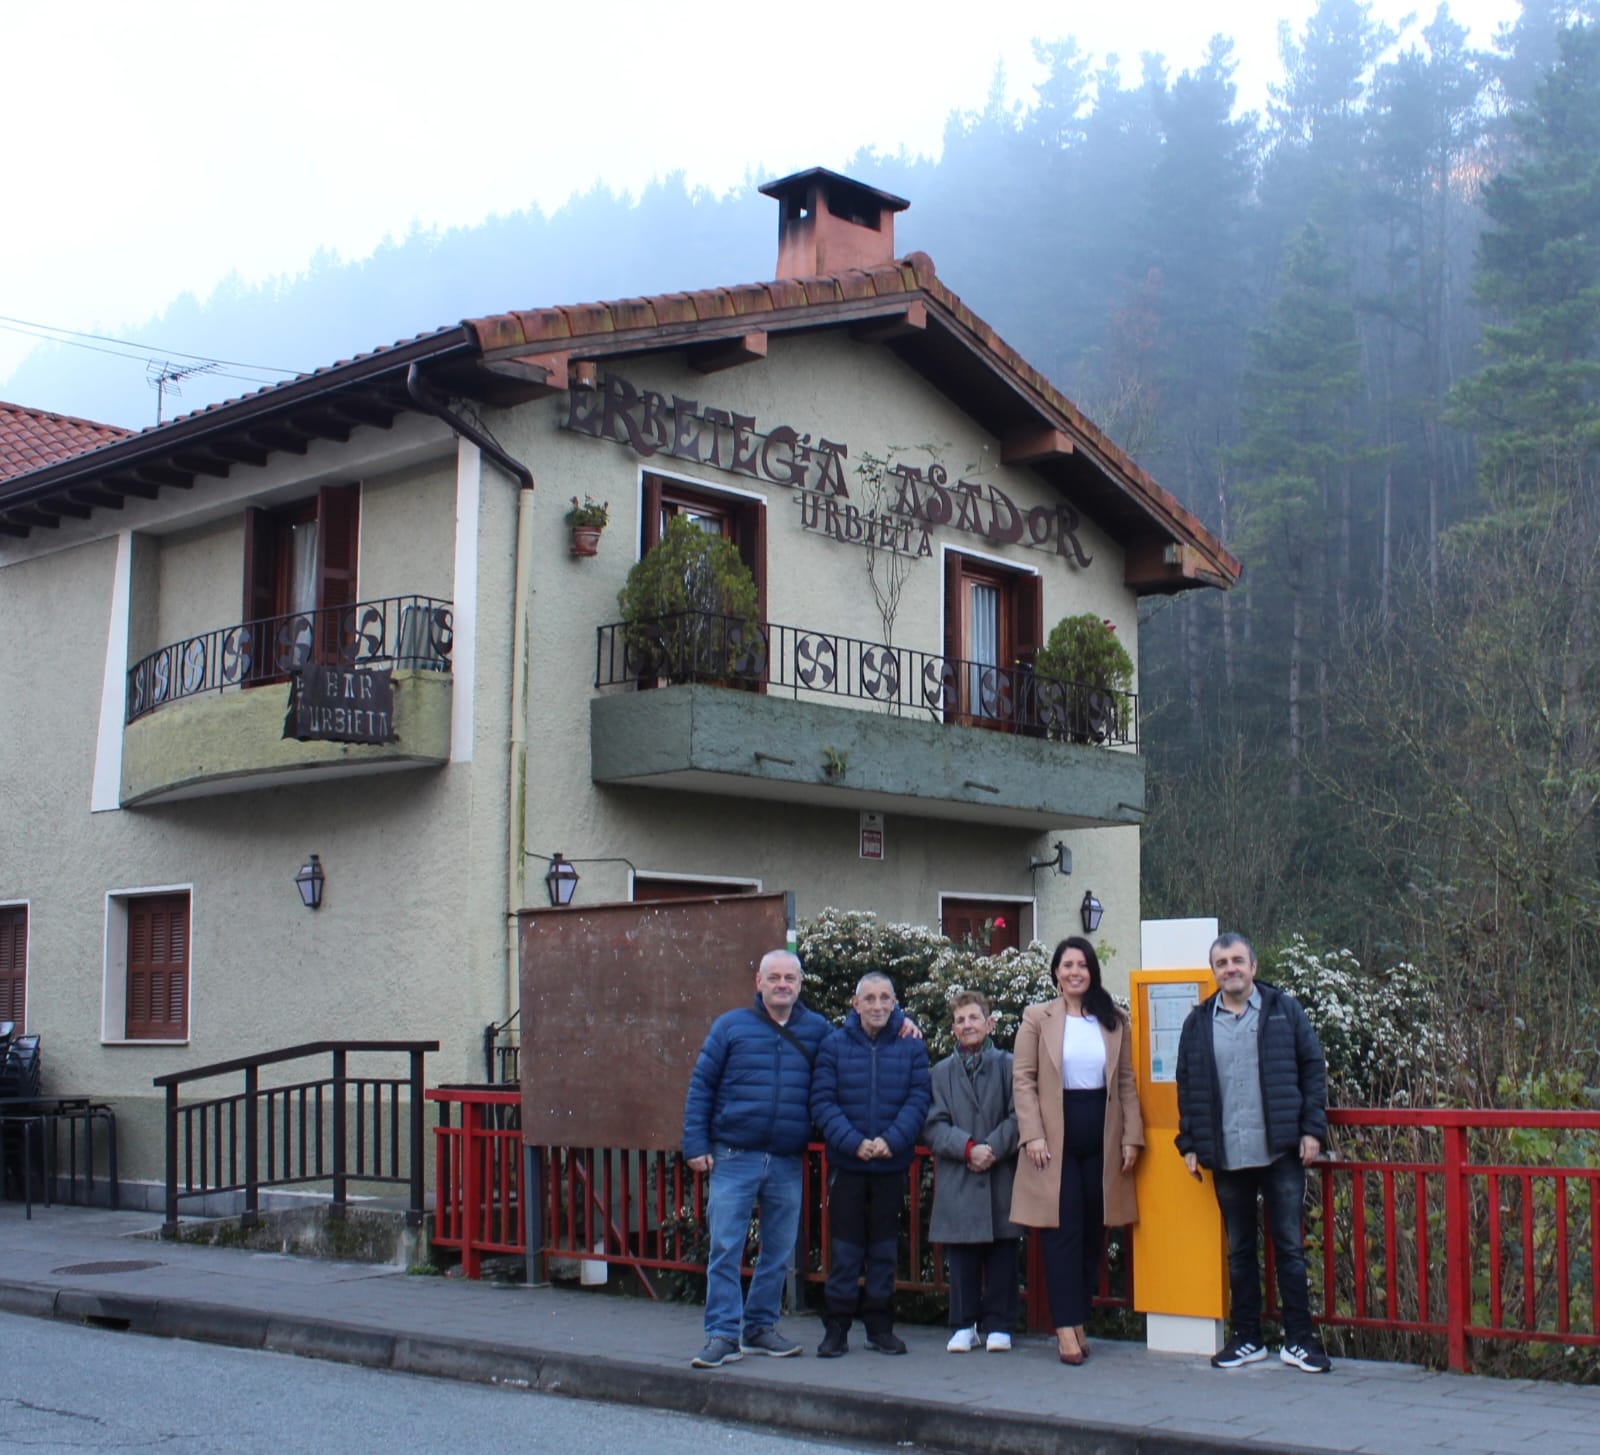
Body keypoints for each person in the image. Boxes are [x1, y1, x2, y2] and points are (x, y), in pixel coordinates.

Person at [1175, 932, 1332, 1374]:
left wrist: (1312, 1130)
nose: (1231, 969)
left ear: (1254, 966)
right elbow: (1187, 1086)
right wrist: (1189, 1143)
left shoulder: (1285, 1012)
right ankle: (1247, 1338)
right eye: (1222, 963)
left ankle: (1299, 1341)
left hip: (1281, 1150)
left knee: (1289, 1248)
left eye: (1238, 960)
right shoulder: (1198, 1023)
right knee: (1240, 1250)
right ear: (1214, 972)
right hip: (1227, 1153)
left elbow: (1312, 1068)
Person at [681, 948, 828, 1369]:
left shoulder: (817, 1030)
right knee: (726, 1248)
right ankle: (723, 1334)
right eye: (775, 977)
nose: (783, 985)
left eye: (790, 978)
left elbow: (855, 1045)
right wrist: (695, 1144)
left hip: (785, 1158)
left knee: (777, 1251)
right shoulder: (731, 1027)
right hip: (734, 1155)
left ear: (800, 985)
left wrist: (903, 1023)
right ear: (758, 982)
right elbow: (702, 1086)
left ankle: (760, 1327)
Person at [1010, 936, 1142, 1366]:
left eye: (1081, 965)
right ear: (1055, 972)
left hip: (1101, 1132)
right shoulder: (1036, 1018)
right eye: (1067, 965)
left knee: (1092, 1234)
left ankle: (1078, 1317)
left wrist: (1131, 1137)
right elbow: (1024, 1079)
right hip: (1055, 1134)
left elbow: (1125, 1083)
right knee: (1060, 1232)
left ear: (1092, 971)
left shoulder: (1112, 1018)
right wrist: (1032, 1134)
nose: (1074, 972)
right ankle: (1065, 1327)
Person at [810, 971, 931, 1357]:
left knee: (883, 1251)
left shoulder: (912, 1046)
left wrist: (891, 1141)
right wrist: (854, 1142)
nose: (877, 1006)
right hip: (848, 1165)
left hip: (890, 1165)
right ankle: (837, 1328)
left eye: (885, 999)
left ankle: (880, 1328)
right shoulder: (833, 1045)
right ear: (855, 1003)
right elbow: (823, 1102)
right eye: (870, 998)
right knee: (844, 1252)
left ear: (895, 1003)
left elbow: (918, 1100)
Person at [923, 990, 1022, 1352]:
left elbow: (1019, 1115)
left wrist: (993, 1148)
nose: (968, 1025)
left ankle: (1000, 1323)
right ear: (953, 1029)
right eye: (961, 1020)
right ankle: (964, 1323)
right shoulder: (940, 1072)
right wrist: (967, 1148)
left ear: (989, 1022)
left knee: (1002, 1252)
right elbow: (933, 1124)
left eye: (974, 1018)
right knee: (961, 1255)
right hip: (959, 1172)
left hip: (1000, 1170)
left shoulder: (1009, 1065)